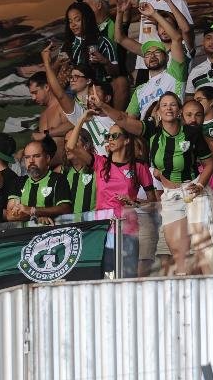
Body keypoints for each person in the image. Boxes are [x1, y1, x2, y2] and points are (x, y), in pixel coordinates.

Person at [109, 92, 213, 275]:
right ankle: (186, 295)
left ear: (179, 110)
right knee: (179, 254)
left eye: (173, 104)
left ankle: (212, 292)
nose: (168, 108)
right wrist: (103, 106)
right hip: (171, 196)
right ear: (158, 111)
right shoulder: (152, 133)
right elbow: (123, 119)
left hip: (193, 190)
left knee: (202, 249)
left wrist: (199, 186)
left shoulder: (191, 132)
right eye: (164, 105)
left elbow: (210, 162)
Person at [64, 111, 155, 275]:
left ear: (127, 140)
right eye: (108, 136)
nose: (110, 139)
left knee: (127, 277)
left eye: (115, 136)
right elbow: (71, 146)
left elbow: (152, 202)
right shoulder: (100, 163)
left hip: (128, 229)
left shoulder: (139, 167)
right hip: (102, 229)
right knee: (104, 277)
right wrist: (82, 120)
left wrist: (134, 203)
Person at [124, 9, 188, 120]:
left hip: (173, 126)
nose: (152, 56)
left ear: (167, 57)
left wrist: (154, 14)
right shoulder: (140, 90)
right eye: (148, 54)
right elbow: (129, 120)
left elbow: (177, 38)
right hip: (149, 133)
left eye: (157, 53)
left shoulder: (175, 73)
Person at [6, 141, 73, 223]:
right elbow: (10, 215)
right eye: (27, 157)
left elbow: (65, 209)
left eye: (36, 156)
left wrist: (33, 210)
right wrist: (36, 217)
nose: (31, 161)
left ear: (47, 158)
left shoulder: (59, 179)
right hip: (25, 234)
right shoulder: (18, 182)